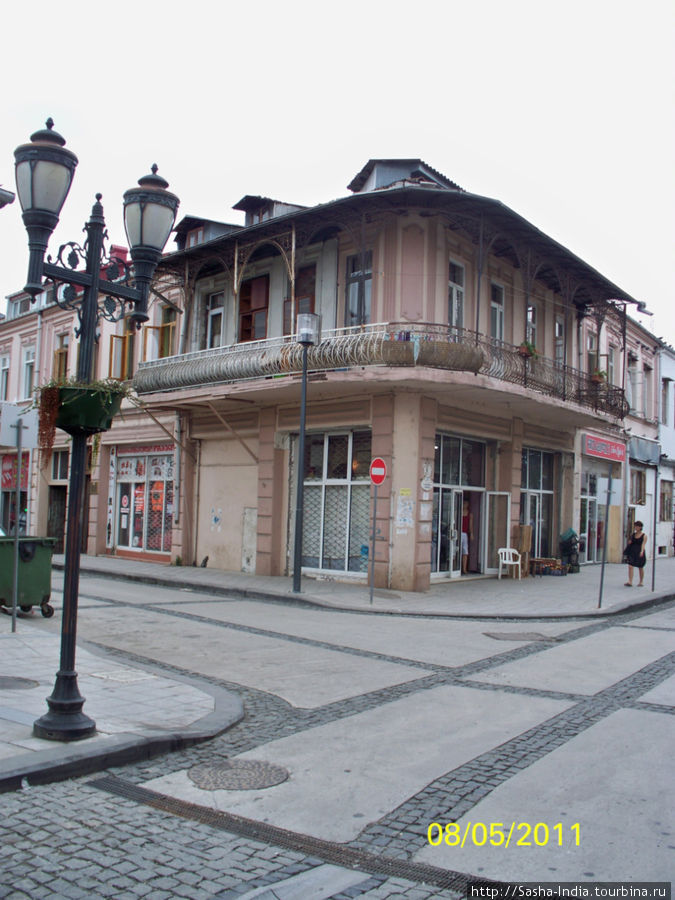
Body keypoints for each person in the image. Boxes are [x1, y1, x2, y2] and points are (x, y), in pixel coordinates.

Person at [624, 521, 647, 586]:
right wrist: (629, 542)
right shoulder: (633, 535)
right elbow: (631, 542)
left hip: (639, 551)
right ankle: (630, 581)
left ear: (640, 527)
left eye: (637, 526)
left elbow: (643, 544)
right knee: (630, 566)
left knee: (640, 567)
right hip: (632, 551)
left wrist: (642, 551)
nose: (635, 527)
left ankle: (641, 581)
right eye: (635, 526)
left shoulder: (644, 536)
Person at [461, 499, 473, 575]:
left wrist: (471, 533)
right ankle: (454, 568)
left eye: (466, 503)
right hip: (458, 533)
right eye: (464, 503)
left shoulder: (469, 514)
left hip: (465, 533)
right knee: (456, 551)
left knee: (465, 551)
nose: (465, 505)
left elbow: (470, 525)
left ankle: (464, 568)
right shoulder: (458, 512)